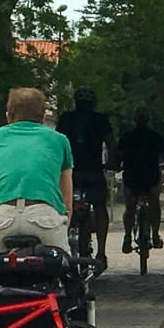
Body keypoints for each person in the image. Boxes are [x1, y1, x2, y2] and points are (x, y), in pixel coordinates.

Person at [0, 86, 74, 251]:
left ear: (8, 116)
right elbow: (67, 200)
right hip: (43, 216)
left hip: (0, 219)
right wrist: (62, 226)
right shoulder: (59, 141)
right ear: (42, 117)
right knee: (62, 266)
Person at [56, 87, 114, 264]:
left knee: (62, 207)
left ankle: (61, 246)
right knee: (99, 208)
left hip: (70, 172)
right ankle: (101, 252)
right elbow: (111, 144)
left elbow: (56, 142)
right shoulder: (100, 120)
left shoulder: (67, 118)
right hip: (93, 171)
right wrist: (112, 162)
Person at [115, 109, 164, 253]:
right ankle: (155, 235)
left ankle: (127, 237)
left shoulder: (127, 137)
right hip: (151, 176)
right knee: (154, 205)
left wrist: (116, 165)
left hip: (131, 176)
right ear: (149, 120)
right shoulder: (155, 136)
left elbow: (118, 155)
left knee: (129, 208)